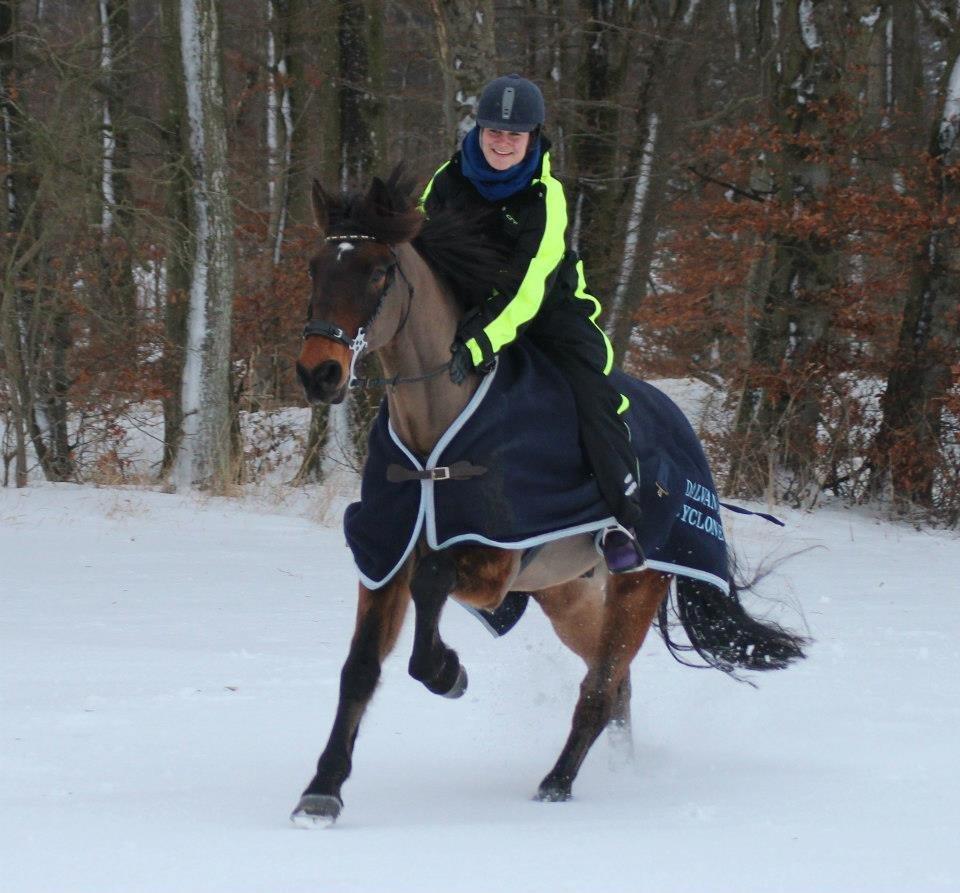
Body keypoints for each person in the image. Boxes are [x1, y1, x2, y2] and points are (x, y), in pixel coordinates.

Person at [420, 73, 645, 574]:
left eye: (514, 135)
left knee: (593, 390)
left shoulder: (549, 196)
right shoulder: (445, 182)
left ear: (534, 137)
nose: (503, 143)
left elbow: (527, 292)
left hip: (549, 314)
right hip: (469, 305)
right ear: (479, 130)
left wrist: (478, 344)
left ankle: (619, 518)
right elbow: (420, 257)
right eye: (494, 132)